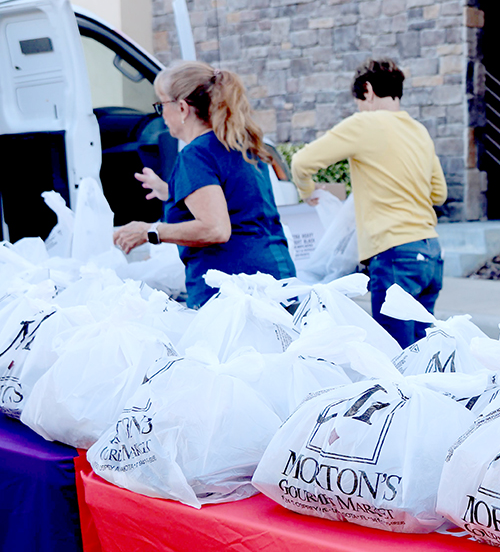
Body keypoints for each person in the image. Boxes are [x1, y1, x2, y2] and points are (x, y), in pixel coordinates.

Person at [290, 58, 447, 348]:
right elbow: (438, 193)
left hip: (394, 254)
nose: (359, 108)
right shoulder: (419, 131)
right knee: (426, 355)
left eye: (359, 101)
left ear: (368, 89)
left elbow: (301, 162)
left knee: (395, 359)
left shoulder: (364, 123)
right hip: (430, 253)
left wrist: (307, 192)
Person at [113, 61, 296, 308]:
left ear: (182, 107)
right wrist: (170, 192)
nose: (161, 115)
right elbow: (234, 201)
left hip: (231, 297)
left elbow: (216, 229)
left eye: (161, 104)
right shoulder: (241, 145)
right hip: (275, 281)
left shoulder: (195, 156)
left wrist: (149, 231)